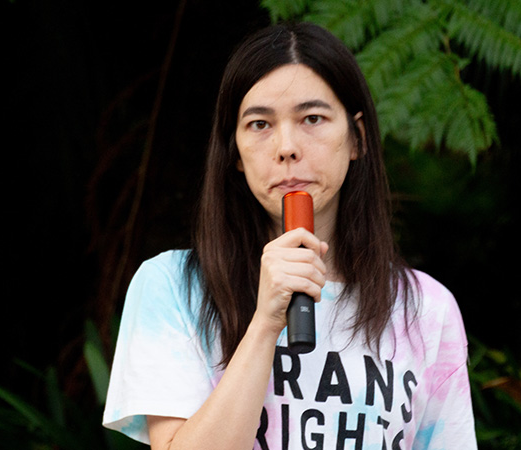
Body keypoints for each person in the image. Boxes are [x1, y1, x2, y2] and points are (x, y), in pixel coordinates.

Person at [103, 22, 476, 449]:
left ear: (357, 138)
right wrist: (265, 323)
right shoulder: (174, 286)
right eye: (260, 124)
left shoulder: (424, 310)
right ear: (235, 152)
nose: (286, 147)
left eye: (312, 119)